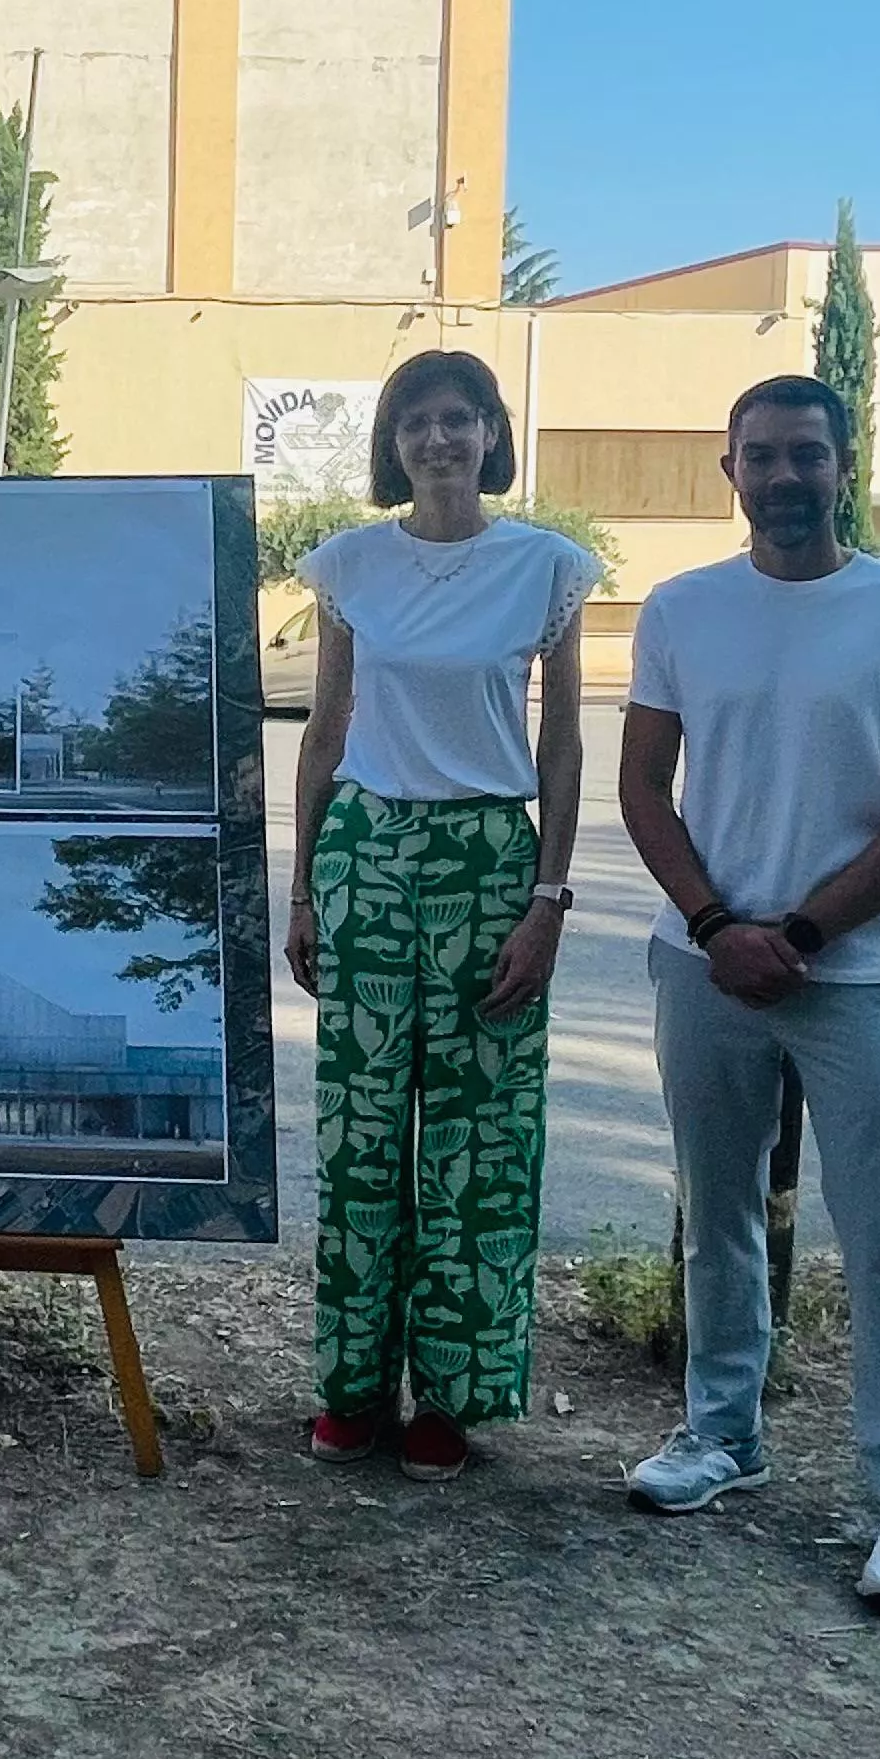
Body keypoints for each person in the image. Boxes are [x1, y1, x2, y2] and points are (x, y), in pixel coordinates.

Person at [616, 374, 880, 1621]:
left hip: (857, 970)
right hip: (706, 962)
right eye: (760, 455)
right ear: (731, 468)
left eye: (805, 454)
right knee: (716, 1210)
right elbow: (645, 791)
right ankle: (724, 1432)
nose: (783, 475)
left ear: (842, 464)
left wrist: (807, 928)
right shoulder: (681, 608)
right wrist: (719, 925)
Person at [286, 348, 596, 1483]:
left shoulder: (548, 567)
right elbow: (324, 731)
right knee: (363, 1137)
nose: (437, 439)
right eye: (415, 421)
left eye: (457, 418)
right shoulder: (350, 564)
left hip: (488, 860)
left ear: (490, 430)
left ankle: (449, 1401)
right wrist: (305, 886)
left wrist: (549, 900)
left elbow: (560, 744)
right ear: (392, 441)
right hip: (368, 854)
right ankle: (353, 1388)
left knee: (476, 1145)